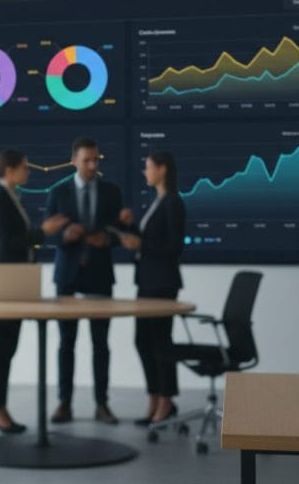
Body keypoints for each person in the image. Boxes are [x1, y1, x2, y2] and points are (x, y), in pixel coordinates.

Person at [0, 148, 69, 434]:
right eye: (25, 168)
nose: (29, 172)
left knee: (6, 347)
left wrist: (40, 234)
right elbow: (7, 243)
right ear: (10, 170)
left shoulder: (12, 196)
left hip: (13, 282)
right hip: (3, 283)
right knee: (0, 348)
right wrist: (44, 231)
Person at [44, 136, 124, 424]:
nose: (92, 165)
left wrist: (109, 239)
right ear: (73, 161)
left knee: (101, 343)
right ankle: (64, 403)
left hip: (100, 276)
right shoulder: (58, 192)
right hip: (67, 276)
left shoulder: (112, 192)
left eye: (95, 160)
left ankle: (102, 404)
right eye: (86, 160)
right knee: (66, 342)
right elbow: (48, 232)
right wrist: (64, 235)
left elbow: (121, 231)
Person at [118, 152, 187, 426]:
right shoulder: (158, 201)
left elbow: (174, 247)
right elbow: (152, 240)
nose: (145, 172)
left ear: (162, 169)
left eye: (148, 167)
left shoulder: (173, 203)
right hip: (147, 283)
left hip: (162, 284)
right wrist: (131, 228)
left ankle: (166, 400)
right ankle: (155, 397)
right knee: (143, 341)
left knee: (160, 343)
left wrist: (141, 245)